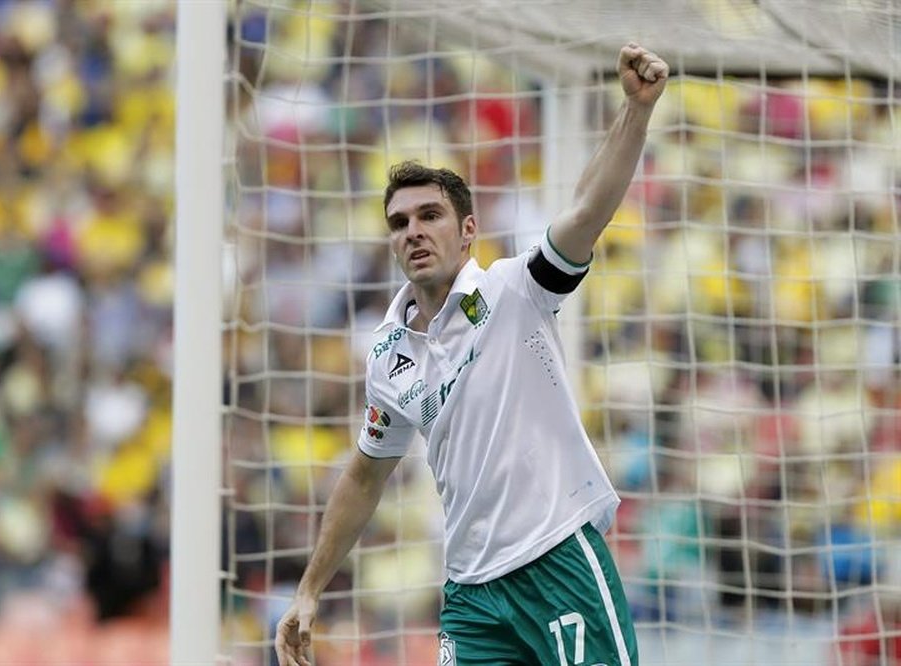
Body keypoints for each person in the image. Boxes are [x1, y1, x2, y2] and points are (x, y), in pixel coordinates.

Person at [275, 42, 669, 666]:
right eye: (400, 222)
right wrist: (309, 589)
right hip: (470, 595)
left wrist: (636, 111)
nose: (413, 231)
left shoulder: (516, 290)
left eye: (430, 215)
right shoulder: (387, 355)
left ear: (467, 231)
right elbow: (364, 473)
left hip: (557, 558)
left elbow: (588, 209)